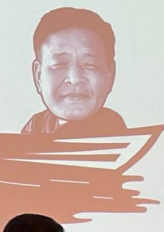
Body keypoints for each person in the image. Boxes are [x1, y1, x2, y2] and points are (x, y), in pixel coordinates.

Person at [23, 7, 126, 137]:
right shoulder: (37, 125)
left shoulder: (112, 130)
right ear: (38, 76)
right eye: (59, 65)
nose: (75, 79)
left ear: (110, 75)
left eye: (90, 65)